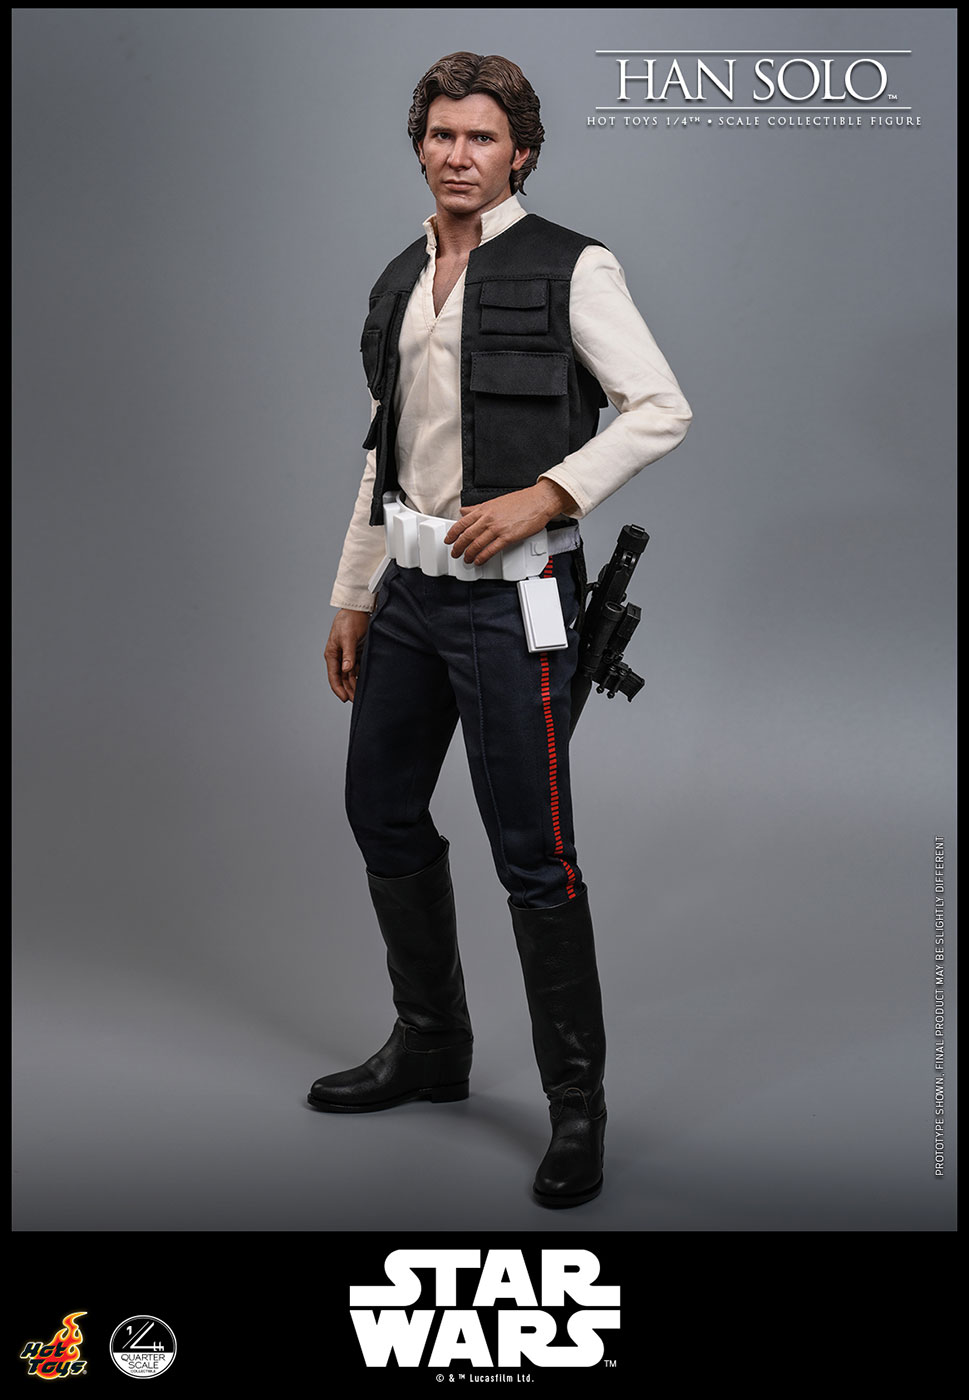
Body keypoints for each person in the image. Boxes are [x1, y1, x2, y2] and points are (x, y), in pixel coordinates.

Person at [307, 51, 692, 1208]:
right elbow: (384, 449)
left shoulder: (573, 265)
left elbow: (661, 407)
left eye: (481, 137)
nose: (458, 155)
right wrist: (354, 590)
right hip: (412, 595)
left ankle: (578, 1106)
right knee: (379, 806)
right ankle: (431, 1043)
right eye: (441, 135)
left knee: (533, 851)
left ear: (520, 151)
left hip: (515, 595)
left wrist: (549, 494)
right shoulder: (404, 274)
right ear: (419, 145)